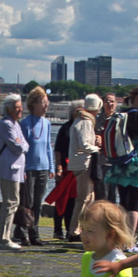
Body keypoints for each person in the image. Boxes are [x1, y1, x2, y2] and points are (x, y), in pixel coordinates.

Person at [104, 87, 138, 252]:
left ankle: (120, 239)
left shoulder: (122, 114)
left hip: (120, 162)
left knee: (123, 203)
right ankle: (130, 242)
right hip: (136, 160)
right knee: (135, 204)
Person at [16, 87, 55, 246]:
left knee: (38, 202)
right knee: (28, 202)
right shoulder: (25, 124)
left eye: (47, 102)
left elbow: (48, 147)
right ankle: (23, 231)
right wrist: (23, 168)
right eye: (42, 102)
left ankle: (35, 232)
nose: (46, 105)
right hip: (29, 168)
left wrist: (51, 167)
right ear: (33, 104)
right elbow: (22, 149)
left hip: (43, 167)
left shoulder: (47, 124)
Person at [0, 94, 27, 250]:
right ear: (8, 109)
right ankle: (3, 239)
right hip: (9, 168)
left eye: (20, 107)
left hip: (16, 168)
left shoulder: (15, 124)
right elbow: (18, 146)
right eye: (16, 107)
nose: (19, 110)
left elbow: (24, 144)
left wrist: (22, 144)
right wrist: (22, 145)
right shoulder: (6, 124)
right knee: (10, 203)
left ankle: (1, 237)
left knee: (12, 203)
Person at [67, 94, 102, 242]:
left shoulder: (79, 120)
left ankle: (81, 228)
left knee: (88, 197)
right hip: (84, 163)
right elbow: (84, 144)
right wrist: (96, 148)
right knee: (84, 198)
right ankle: (75, 230)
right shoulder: (86, 122)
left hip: (79, 162)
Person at [51, 100, 82, 239]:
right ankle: (58, 230)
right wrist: (58, 166)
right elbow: (58, 150)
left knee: (74, 201)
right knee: (61, 200)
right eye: (78, 111)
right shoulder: (66, 128)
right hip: (65, 169)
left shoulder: (84, 128)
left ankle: (72, 230)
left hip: (78, 171)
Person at [93, 92, 118, 202]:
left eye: (112, 101)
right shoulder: (96, 121)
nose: (110, 104)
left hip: (115, 162)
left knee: (113, 194)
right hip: (101, 162)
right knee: (101, 193)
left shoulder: (119, 121)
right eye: (107, 101)